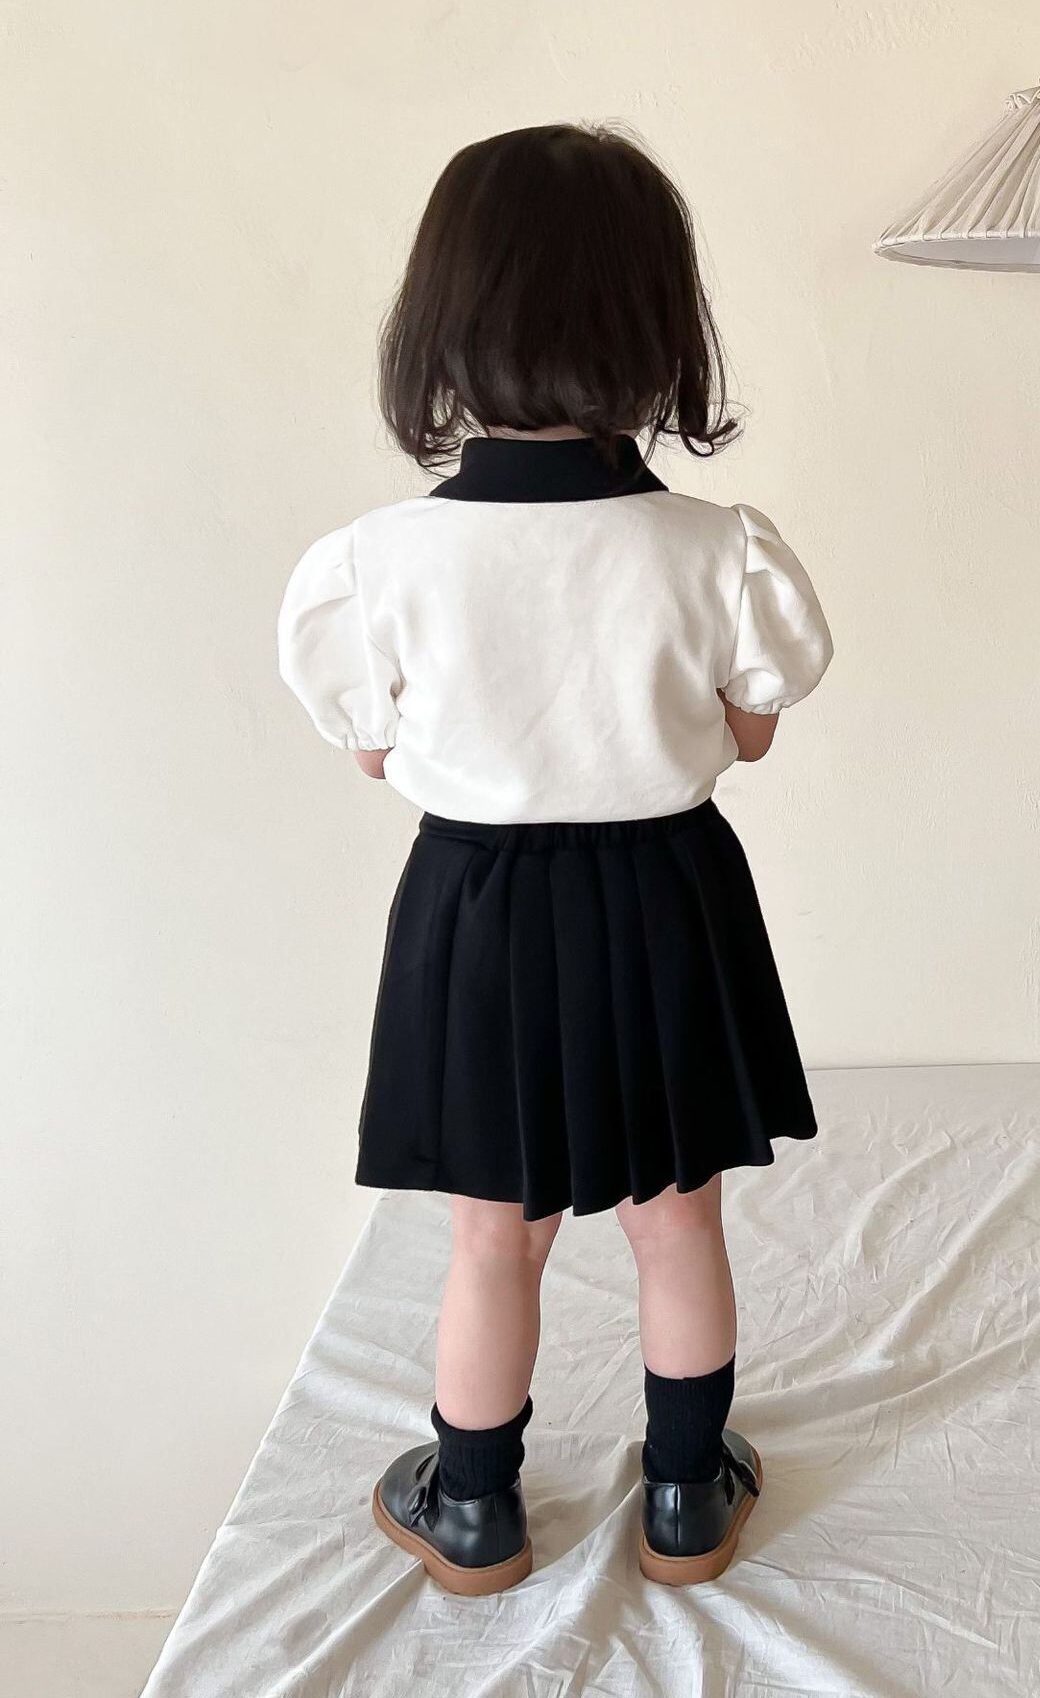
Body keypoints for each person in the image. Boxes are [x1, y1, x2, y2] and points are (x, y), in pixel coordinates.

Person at [277, 123, 831, 1595]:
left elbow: (378, 755)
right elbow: (752, 736)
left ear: (441, 322)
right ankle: (687, 1498)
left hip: (480, 909)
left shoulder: (377, 562)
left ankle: (472, 1508)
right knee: (678, 1217)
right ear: (659, 326)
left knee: (491, 1238)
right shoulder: (717, 546)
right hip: (664, 898)